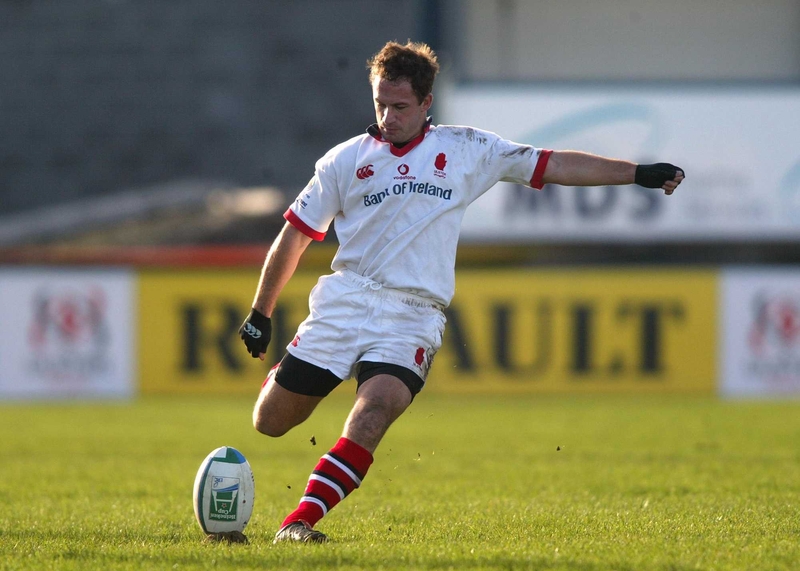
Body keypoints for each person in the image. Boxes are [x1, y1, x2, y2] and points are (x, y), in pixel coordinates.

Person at [238, 40, 684, 544]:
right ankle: (288, 378)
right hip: (346, 301)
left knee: (375, 410)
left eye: (400, 106)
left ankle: (298, 522)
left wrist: (635, 174)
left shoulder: (469, 150)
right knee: (270, 422)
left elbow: (554, 164)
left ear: (427, 103)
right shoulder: (343, 161)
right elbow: (295, 235)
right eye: (380, 104)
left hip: (412, 315)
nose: (387, 117)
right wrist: (261, 312)